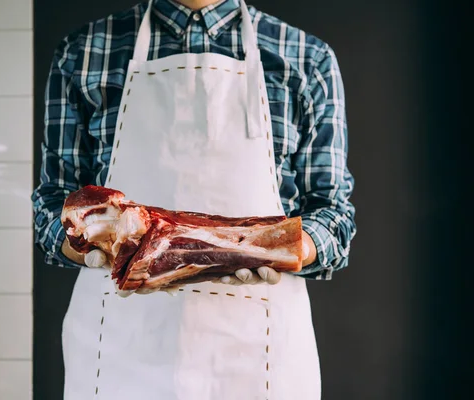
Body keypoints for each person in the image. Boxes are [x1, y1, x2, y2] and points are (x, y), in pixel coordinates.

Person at [32, 0, 356, 398]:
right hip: (120, 344)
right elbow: (52, 202)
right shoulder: (84, 52)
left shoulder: (305, 57)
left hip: (258, 352)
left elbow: (333, 213)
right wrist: (87, 246)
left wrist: (285, 248)